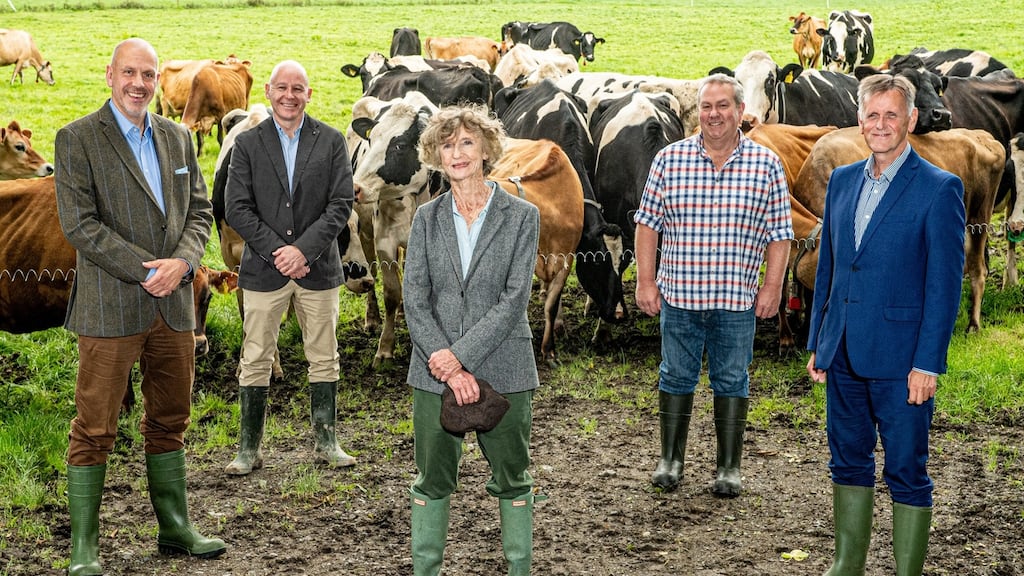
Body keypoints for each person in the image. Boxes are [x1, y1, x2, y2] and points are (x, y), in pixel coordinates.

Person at [54, 38, 226, 575]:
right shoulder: (78, 138)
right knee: (96, 426)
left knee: (170, 418)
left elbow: (200, 211)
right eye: (129, 73)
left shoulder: (177, 137)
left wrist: (183, 261)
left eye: (148, 75)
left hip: (173, 307)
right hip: (110, 308)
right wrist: (148, 269)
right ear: (109, 75)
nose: (139, 84)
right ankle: (85, 546)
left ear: (158, 80)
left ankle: (174, 527)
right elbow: (80, 224)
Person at [806, 74, 966, 576]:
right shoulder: (843, 181)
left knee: (906, 469)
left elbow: (945, 285)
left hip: (902, 361)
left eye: (891, 115)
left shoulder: (940, 189)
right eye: (872, 115)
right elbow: (831, 268)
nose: (881, 125)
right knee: (847, 459)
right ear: (860, 119)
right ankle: (846, 564)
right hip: (845, 353)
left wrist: (928, 363)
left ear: (911, 119)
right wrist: (819, 340)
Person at [633, 73, 794, 497]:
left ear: (741, 111)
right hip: (680, 295)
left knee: (731, 379)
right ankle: (670, 459)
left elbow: (780, 233)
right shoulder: (670, 160)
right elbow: (648, 225)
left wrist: (772, 287)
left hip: (736, 297)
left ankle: (729, 467)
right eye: (707, 106)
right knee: (675, 375)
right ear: (697, 112)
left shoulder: (766, 165)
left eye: (723, 106)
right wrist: (646, 281)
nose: (714, 114)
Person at [403, 105, 541, 576]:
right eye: (446, 144)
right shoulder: (425, 218)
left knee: (512, 477)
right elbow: (415, 300)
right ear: (435, 155)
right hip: (433, 370)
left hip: (504, 367)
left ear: (485, 149)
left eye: (466, 142)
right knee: (432, 479)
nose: (457, 152)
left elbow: (513, 300)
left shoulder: (523, 216)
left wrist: (458, 360)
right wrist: (447, 366)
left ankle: (518, 569)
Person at [223, 60, 355, 475]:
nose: (289, 95)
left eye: (298, 88)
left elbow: (340, 205)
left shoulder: (332, 141)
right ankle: (249, 449)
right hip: (264, 269)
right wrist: (280, 251)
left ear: (309, 94)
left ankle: (327, 441)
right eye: (282, 87)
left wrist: (304, 251)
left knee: (324, 354)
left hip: (318, 270)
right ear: (267, 90)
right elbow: (236, 209)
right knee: (256, 355)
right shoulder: (247, 143)